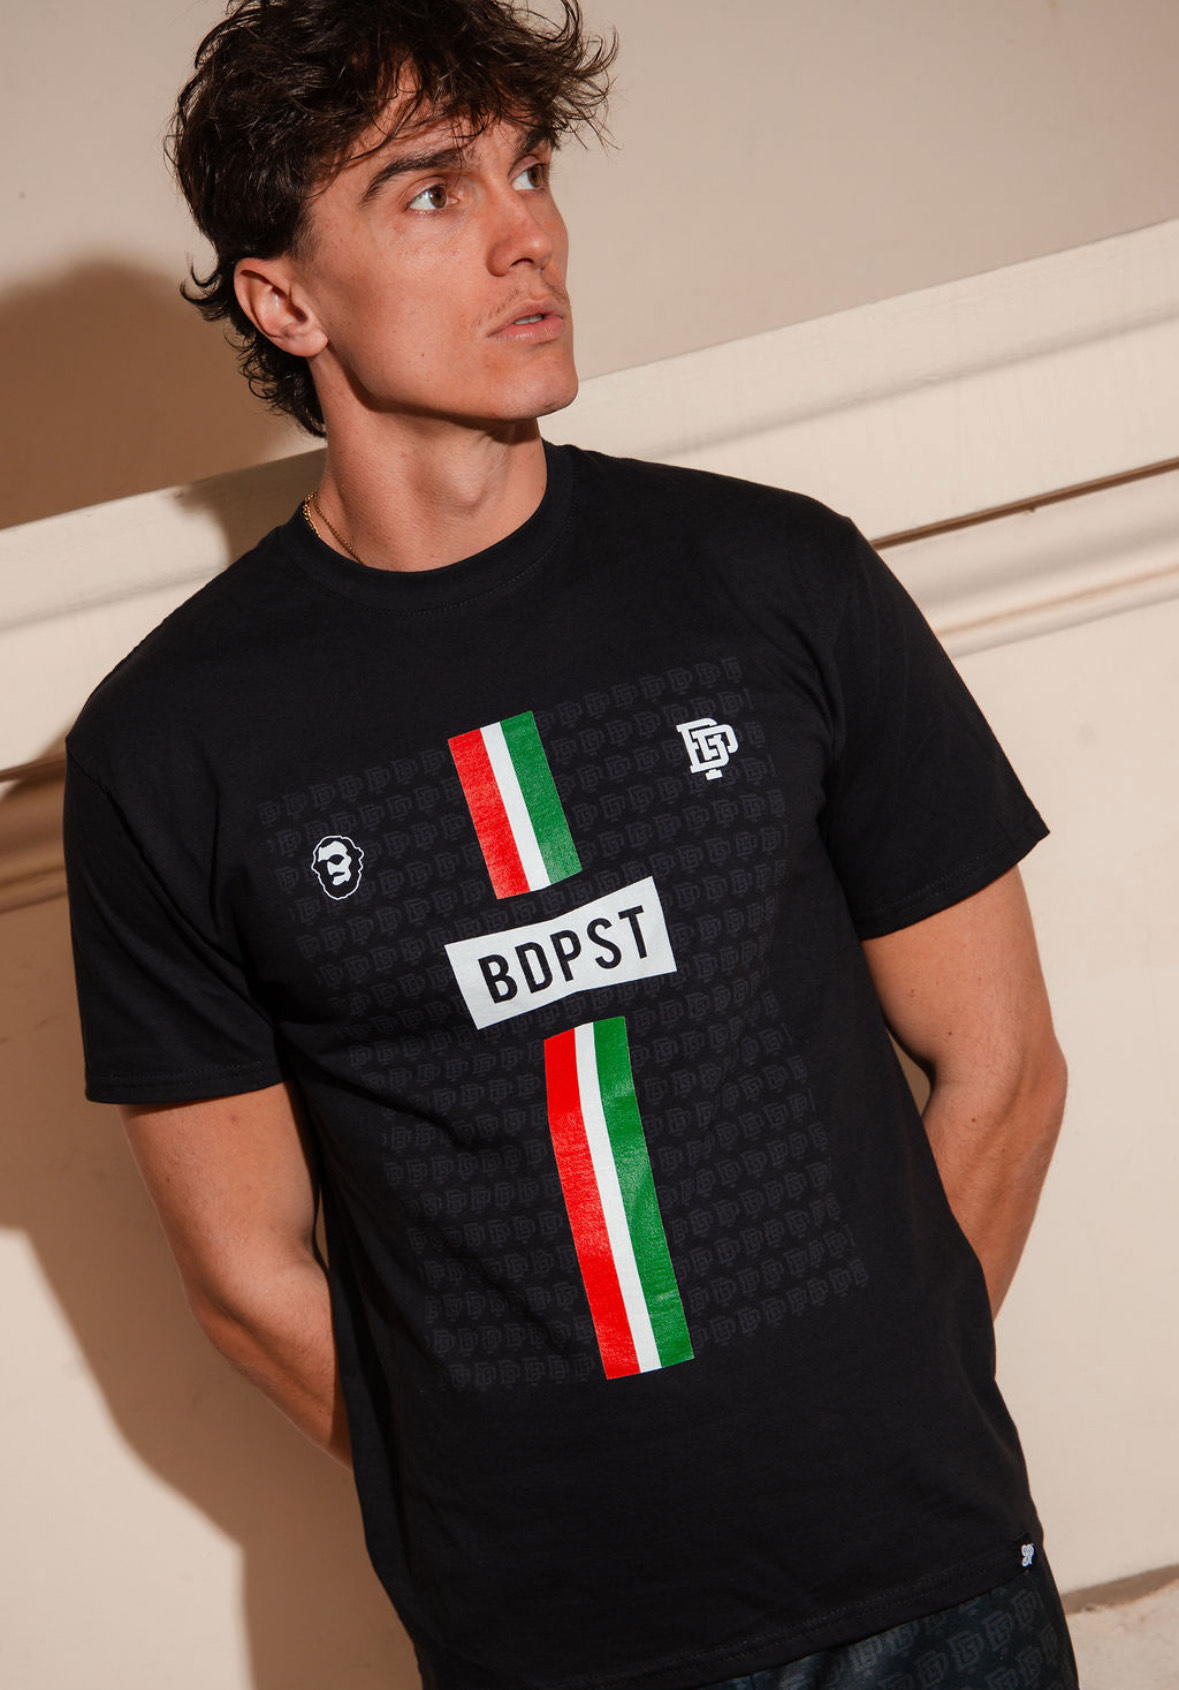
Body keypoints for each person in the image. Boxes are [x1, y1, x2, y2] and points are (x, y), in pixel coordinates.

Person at [63, 3, 1078, 1687]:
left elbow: (1006, 1063)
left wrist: (882, 1409)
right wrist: (506, 1510)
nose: (524, 229)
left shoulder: (780, 580)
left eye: (527, 168)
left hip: (933, 1591)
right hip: (554, 1648)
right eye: (430, 191)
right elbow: (245, 1275)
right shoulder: (171, 748)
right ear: (284, 300)